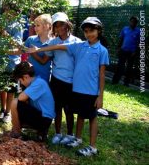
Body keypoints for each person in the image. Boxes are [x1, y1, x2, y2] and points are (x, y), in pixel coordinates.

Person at [28, 17, 109, 156]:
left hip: (85, 89)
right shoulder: (81, 46)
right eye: (86, 31)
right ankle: (75, 138)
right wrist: (38, 49)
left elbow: (102, 75)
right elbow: (57, 47)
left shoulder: (98, 49)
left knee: (88, 116)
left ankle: (89, 145)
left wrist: (100, 96)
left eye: (92, 31)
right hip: (74, 88)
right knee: (79, 114)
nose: (89, 34)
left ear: (99, 30)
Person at [46, 12, 81, 145]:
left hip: (71, 81)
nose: (60, 28)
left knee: (69, 109)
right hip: (56, 80)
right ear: (54, 28)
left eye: (62, 24)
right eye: (57, 25)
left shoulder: (77, 42)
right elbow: (46, 58)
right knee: (57, 108)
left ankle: (70, 134)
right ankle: (58, 133)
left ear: (68, 25)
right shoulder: (53, 42)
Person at [10, 61, 55, 141]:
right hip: (43, 117)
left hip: (44, 120)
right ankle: (39, 133)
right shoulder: (37, 81)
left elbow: (20, 98)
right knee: (20, 105)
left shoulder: (38, 83)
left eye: (21, 81)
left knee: (14, 103)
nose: (21, 84)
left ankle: (17, 132)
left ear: (26, 77)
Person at [0, 4, 23, 123]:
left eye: (11, 10)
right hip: (0, 61)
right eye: (6, 10)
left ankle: (8, 112)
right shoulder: (1, 23)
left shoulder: (17, 26)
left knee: (11, 89)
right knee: (1, 87)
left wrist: (6, 35)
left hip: (12, 63)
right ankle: (2, 109)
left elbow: (18, 46)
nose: (8, 12)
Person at [23, 14, 53, 82]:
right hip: (29, 78)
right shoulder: (31, 39)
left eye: (38, 25)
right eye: (35, 26)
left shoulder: (52, 42)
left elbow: (43, 62)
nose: (35, 28)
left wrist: (33, 52)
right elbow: (21, 50)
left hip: (44, 78)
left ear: (46, 26)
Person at [112, 16, 140, 86]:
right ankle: (115, 81)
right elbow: (121, 39)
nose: (133, 23)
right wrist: (118, 48)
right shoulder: (125, 29)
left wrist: (135, 51)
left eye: (134, 22)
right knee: (120, 66)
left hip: (132, 52)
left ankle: (126, 83)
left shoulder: (139, 31)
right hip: (123, 50)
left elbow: (139, 42)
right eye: (132, 21)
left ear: (136, 23)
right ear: (129, 22)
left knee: (129, 68)